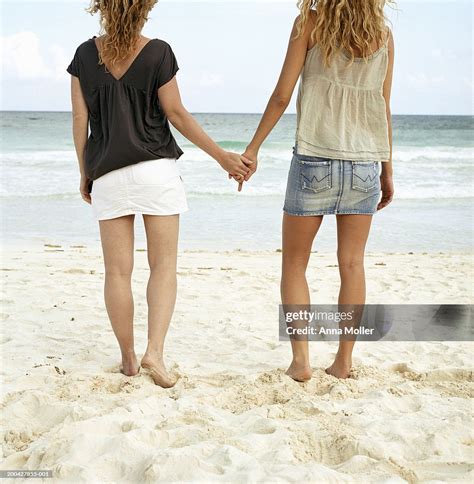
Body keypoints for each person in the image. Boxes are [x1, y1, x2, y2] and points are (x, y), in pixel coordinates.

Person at [66, 0, 253, 388]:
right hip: (157, 172)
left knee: (117, 271)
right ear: (143, 10)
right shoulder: (158, 52)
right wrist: (222, 157)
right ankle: (156, 352)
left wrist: (86, 172)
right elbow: (177, 115)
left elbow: (80, 122)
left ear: (102, 7)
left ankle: (129, 359)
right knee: (163, 266)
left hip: (108, 175)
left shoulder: (84, 55)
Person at [240, 0, 395, 380]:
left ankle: (301, 362)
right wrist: (387, 170)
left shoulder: (308, 24)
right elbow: (383, 107)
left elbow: (281, 95)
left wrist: (252, 148)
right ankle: (343, 362)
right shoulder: (384, 36)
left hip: (314, 160)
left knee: (294, 263)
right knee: (353, 264)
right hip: (364, 164)